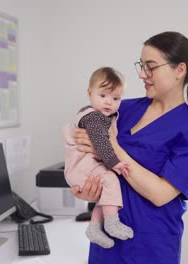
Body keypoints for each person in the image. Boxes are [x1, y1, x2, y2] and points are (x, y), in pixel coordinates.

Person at [72, 31, 188, 264]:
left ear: (179, 70)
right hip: (106, 242)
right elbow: (87, 148)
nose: (141, 74)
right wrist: (87, 189)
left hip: (150, 247)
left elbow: (160, 194)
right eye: (141, 65)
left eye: (151, 66)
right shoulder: (122, 110)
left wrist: (111, 147)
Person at [63, 67, 134, 249]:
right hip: (81, 166)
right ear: (89, 93)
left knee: (107, 193)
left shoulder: (106, 116)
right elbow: (101, 142)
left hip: (87, 166)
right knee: (110, 179)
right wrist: (115, 163)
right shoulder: (93, 117)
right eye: (103, 95)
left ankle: (94, 228)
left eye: (115, 98)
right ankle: (111, 223)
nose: (109, 102)